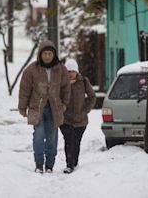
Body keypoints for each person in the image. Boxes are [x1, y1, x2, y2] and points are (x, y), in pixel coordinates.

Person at [18, 39, 70, 174]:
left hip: (55, 108)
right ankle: (39, 164)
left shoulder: (61, 70)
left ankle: (49, 165)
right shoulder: (31, 70)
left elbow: (66, 88)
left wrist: (64, 104)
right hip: (37, 107)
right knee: (39, 135)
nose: (47, 56)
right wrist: (22, 107)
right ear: (40, 54)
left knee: (52, 138)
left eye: (50, 54)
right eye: (44, 53)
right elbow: (24, 89)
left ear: (54, 55)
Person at [61, 59, 96, 174]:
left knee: (76, 142)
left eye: (72, 71)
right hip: (65, 119)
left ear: (76, 72)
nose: (70, 73)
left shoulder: (83, 82)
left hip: (80, 120)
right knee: (68, 140)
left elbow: (92, 97)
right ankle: (69, 164)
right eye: (68, 71)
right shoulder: (61, 82)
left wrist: (85, 110)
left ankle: (74, 161)